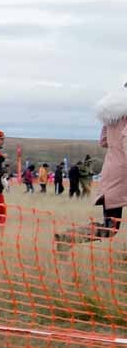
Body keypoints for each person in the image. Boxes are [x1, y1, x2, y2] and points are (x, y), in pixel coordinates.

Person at [55, 86, 126, 247]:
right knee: (110, 228)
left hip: (112, 170)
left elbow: (103, 141)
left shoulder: (113, 116)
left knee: (110, 228)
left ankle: (69, 237)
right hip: (123, 174)